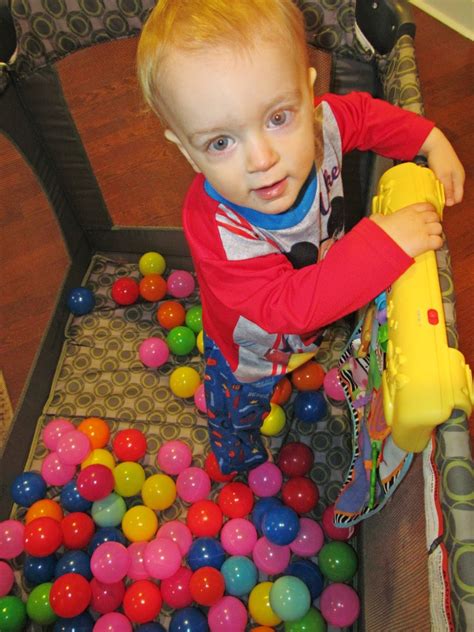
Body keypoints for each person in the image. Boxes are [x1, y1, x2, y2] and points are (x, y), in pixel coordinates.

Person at [137, 0, 465, 474]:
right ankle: (237, 458)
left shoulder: (323, 124)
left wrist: (428, 138)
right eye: (220, 142)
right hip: (248, 354)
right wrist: (382, 243)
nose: (261, 158)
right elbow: (288, 306)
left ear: (309, 96)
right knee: (235, 410)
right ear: (187, 151)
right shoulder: (214, 227)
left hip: (316, 317)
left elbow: (368, 117)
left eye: (277, 117)